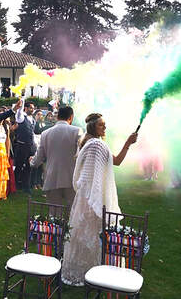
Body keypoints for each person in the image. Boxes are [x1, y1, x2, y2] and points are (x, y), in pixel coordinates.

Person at [61, 113, 138, 286]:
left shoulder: (89, 141)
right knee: (91, 233)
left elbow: (110, 164)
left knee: (84, 233)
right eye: (102, 125)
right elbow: (103, 170)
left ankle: (85, 269)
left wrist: (128, 143)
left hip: (85, 196)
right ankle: (91, 271)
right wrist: (128, 143)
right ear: (93, 127)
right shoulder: (96, 145)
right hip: (92, 197)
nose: (105, 128)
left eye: (105, 124)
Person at [31, 106, 82, 206]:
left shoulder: (45, 133)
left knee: (54, 213)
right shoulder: (77, 131)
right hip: (72, 177)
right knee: (72, 212)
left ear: (57, 116)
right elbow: (80, 154)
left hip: (52, 177)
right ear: (71, 117)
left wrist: (32, 161)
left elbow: (39, 157)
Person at [14, 100, 36, 193]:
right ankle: (14, 186)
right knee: (18, 166)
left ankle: (26, 187)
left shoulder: (33, 120)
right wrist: (21, 103)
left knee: (28, 166)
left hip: (30, 146)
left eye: (33, 108)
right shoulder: (22, 118)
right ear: (26, 108)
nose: (32, 109)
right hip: (21, 145)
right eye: (31, 108)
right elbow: (19, 114)